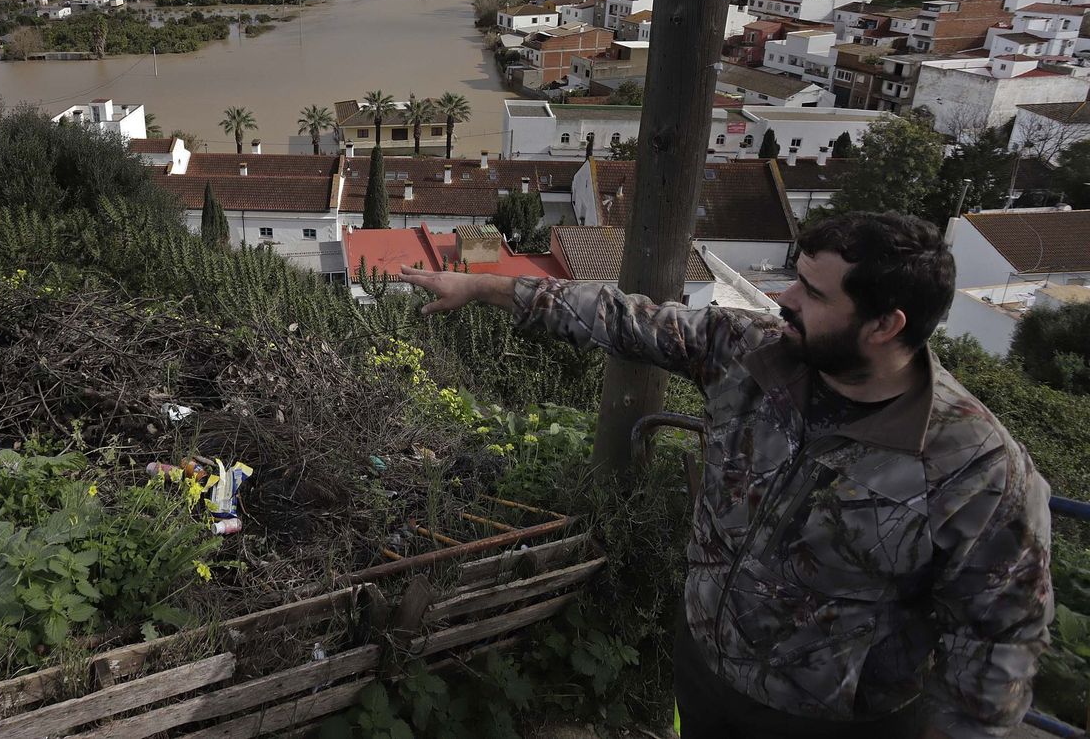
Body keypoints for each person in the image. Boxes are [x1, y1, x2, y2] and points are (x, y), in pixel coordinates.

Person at [400, 211, 1052, 739]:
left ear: (885, 325)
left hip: (830, 721)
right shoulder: (751, 351)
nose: (784, 299)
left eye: (813, 293)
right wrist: (484, 287)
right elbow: (623, 319)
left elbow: (1000, 640)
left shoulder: (974, 467)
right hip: (706, 671)